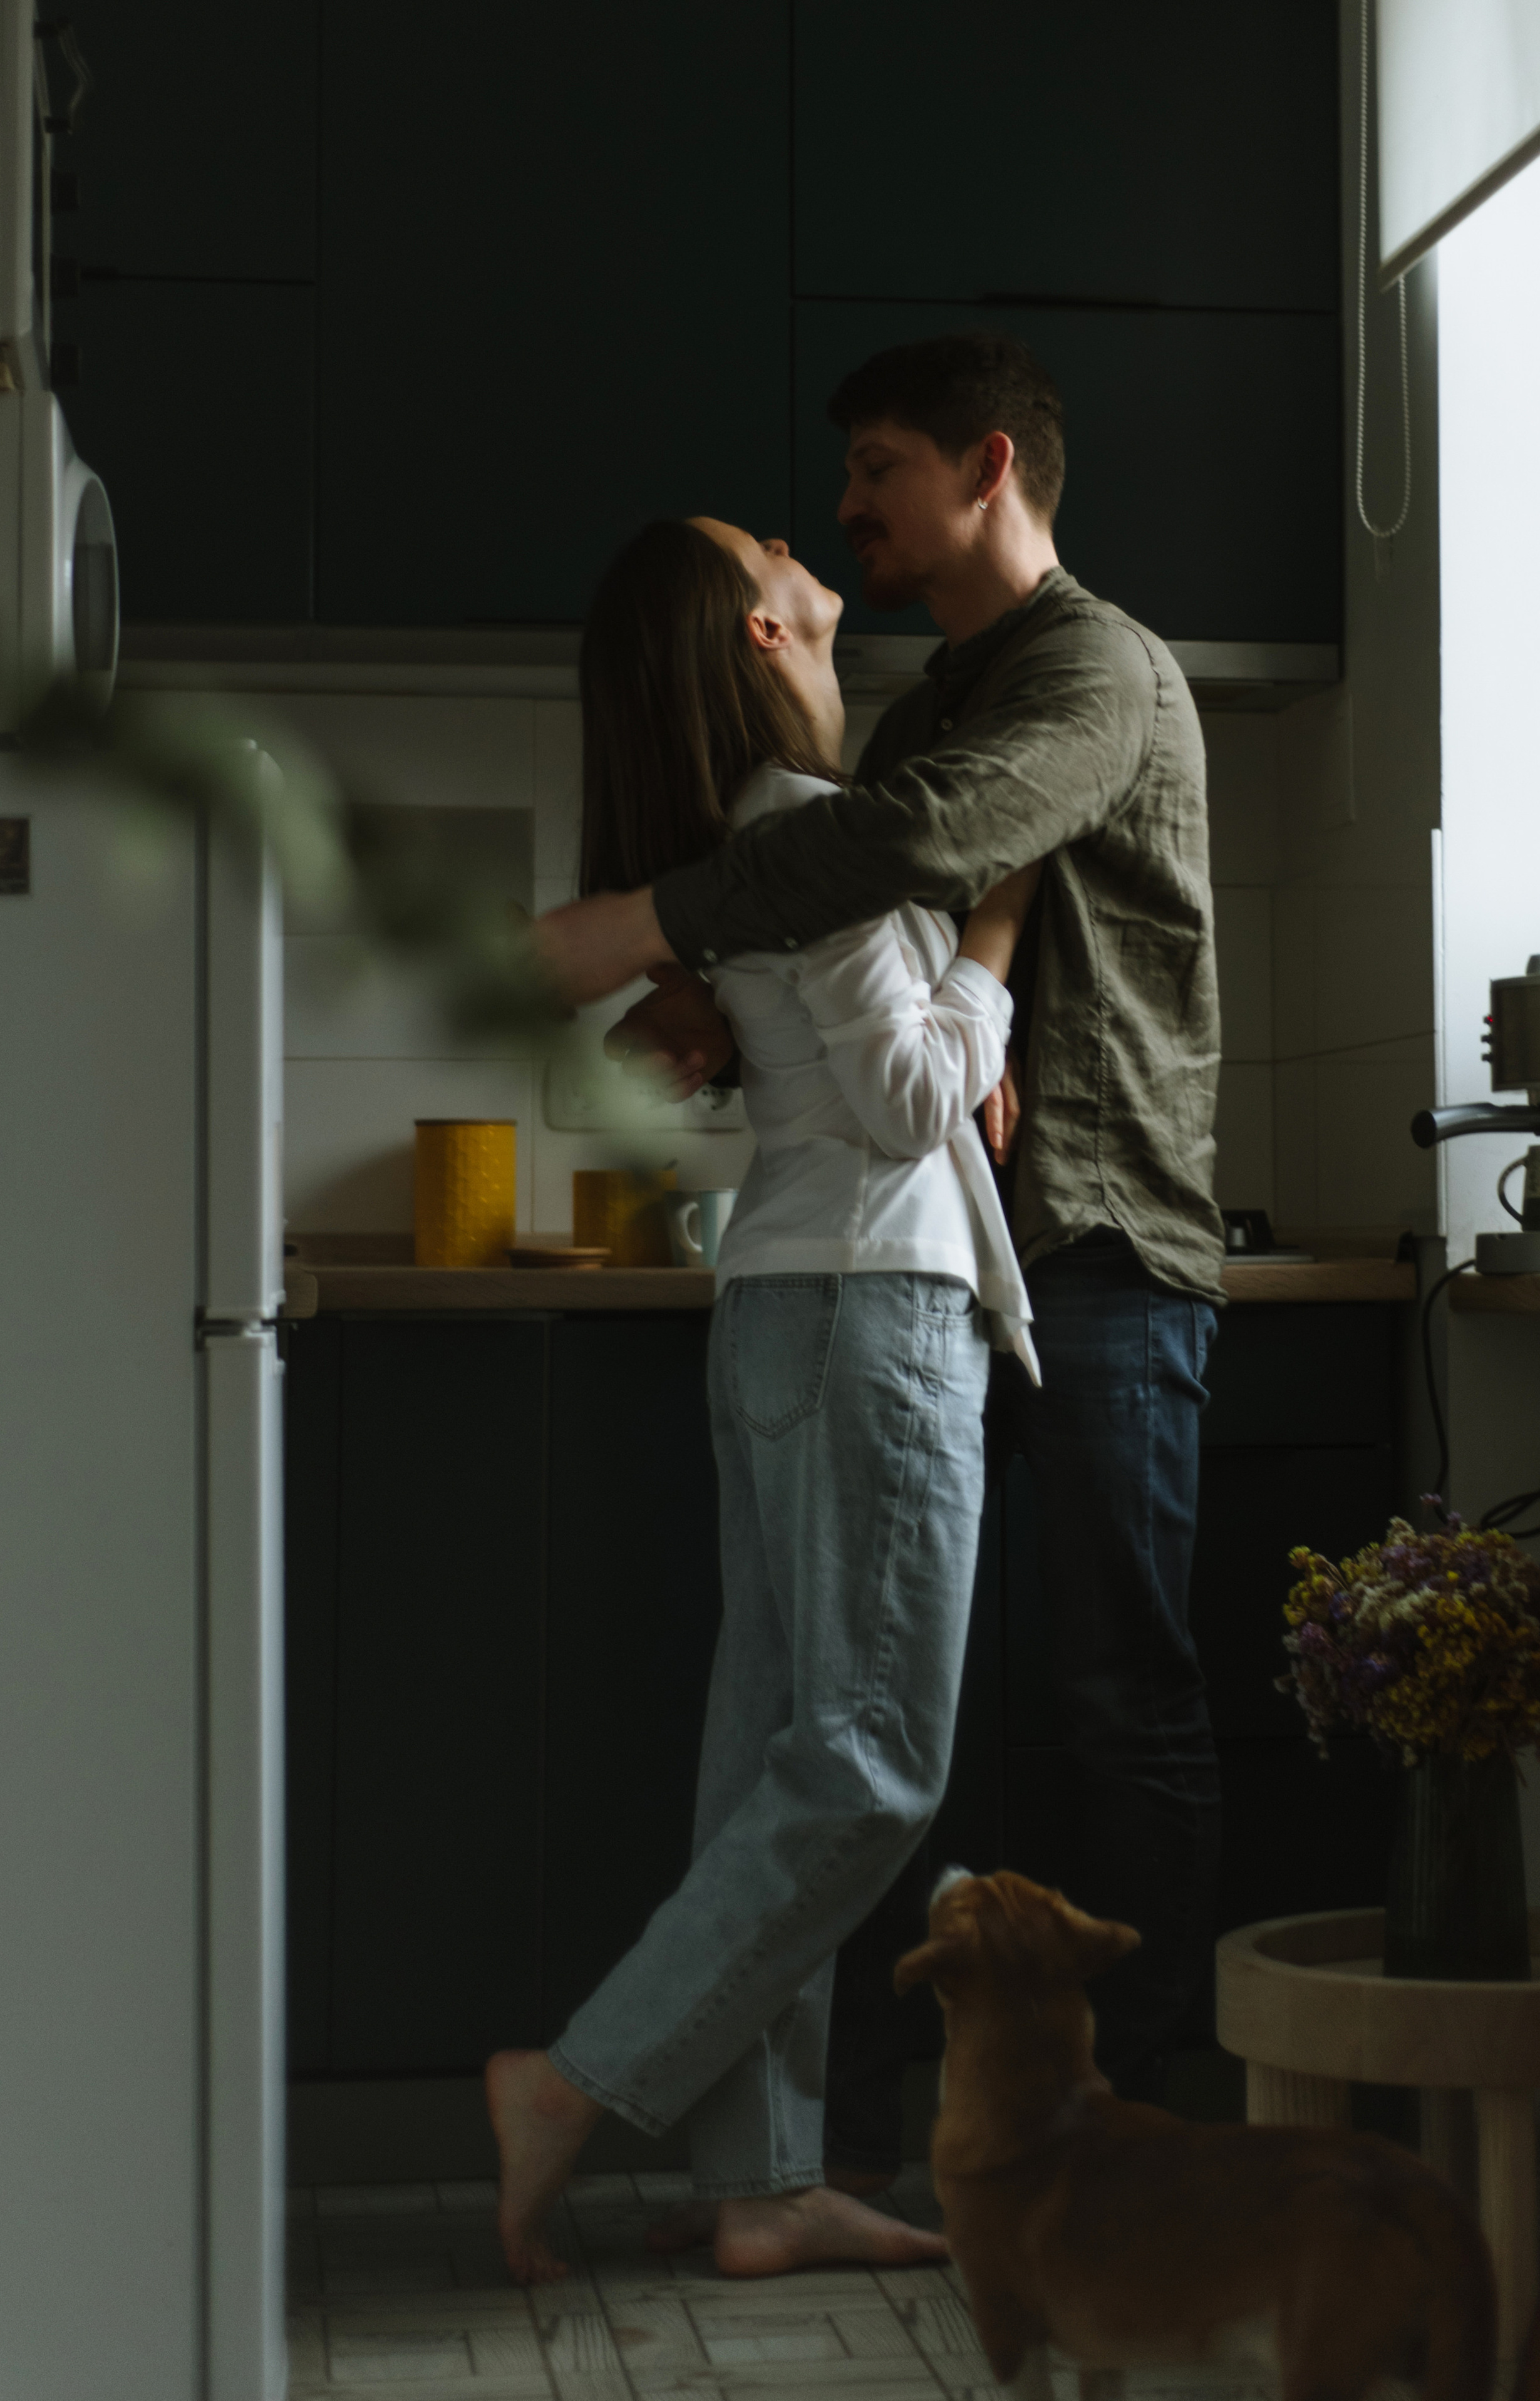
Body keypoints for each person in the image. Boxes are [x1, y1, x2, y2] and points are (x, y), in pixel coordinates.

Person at [534, 333, 1227, 2167]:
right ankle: (839, 2144)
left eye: (877, 470)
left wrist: (644, 927)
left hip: (1096, 1239)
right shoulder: (915, 713)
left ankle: (1136, 2124)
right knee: (903, 1727)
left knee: (1110, 1698)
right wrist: (713, 1000)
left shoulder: (1096, 669)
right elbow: (862, 915)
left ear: (989, 466)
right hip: (939, 1253)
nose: (843, 507)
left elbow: (921, 847)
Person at [487, 511, 1041, 2284]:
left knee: (774, 1768)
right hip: (873, 1309)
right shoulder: (809, 831)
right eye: (774, 545)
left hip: (791, 1313)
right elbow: (910, 1097)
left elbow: (857, 1074)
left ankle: (763, 2183)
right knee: (874, 1761)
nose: (807, 547)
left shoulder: (745, 838)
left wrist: (944, 999)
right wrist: (999, 919)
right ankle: (578, 2079)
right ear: (757, 626)